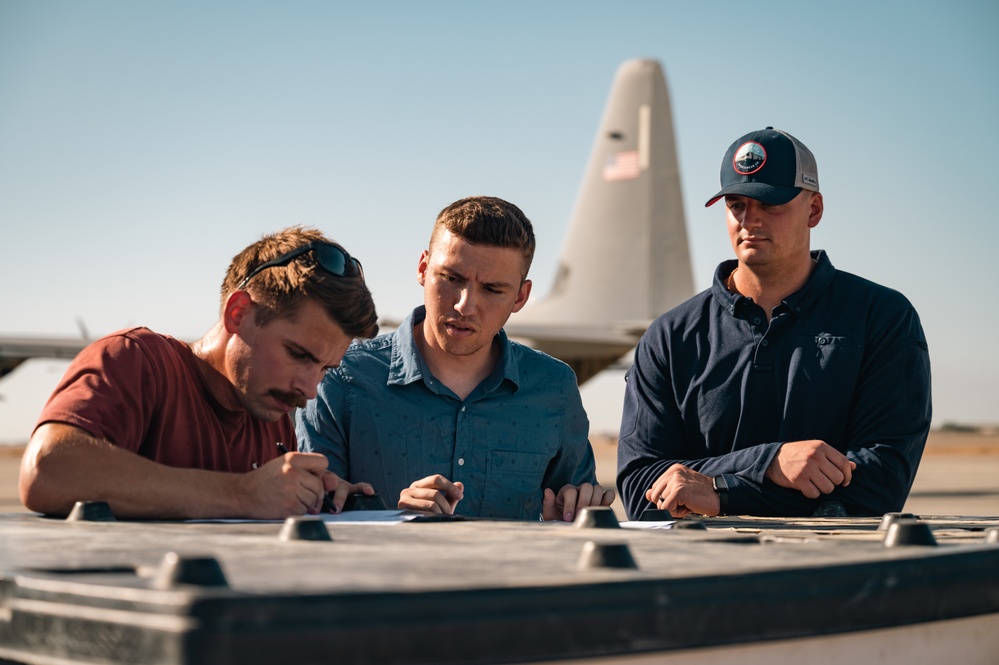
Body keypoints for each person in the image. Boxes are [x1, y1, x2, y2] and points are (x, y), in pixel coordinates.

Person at [617, 127, 932, 519]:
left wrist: (722, 494)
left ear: (814, 210)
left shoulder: (883, 318)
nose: (750, 220)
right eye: (736, 205)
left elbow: (880, 484)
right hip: (697, 573)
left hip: (837, 574)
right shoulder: (669, 336)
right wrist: (770, 462)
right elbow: (639, 489)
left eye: (771, 204)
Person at [19, 226, 379, 519]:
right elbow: (48, 469)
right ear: (238, 314)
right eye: (298, 354)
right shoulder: (138, 360)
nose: (310, 388)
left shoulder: (271, 416)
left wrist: (316, 498)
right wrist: (242, 495)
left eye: (324, 369)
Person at [297, 196, 615, 521]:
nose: (465, 305)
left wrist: (575, 514)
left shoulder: (555, 388)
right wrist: (390, 518)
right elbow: (311, 517)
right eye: (451, 278)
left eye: (492, 289)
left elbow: (576, 512)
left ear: (521, 296)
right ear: (423, 268)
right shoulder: (340, 377)